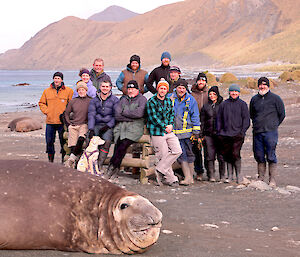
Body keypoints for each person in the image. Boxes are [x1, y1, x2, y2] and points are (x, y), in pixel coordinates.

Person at [104, 80, 147, 179]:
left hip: (136, 127)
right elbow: (117, 115)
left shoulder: (142, 99)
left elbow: (139, 114)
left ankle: (112, 166)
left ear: (137, 90)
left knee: (123, 144)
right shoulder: (123, 99)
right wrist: (130, 116)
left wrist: (125, 112)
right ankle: (115, 169)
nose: (130, 91)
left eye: (133, 89)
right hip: (122, 126)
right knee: (118, 143)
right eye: (129, 89)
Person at [250, 77, 285, 187]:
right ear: (258, 86)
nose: (262, 86)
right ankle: (261, 178)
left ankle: (272, 180)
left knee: (271, 155)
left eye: (264, 85)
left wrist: (274, 125)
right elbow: (251, 114)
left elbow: (282, 114)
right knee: (259, 155)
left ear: (268, 86)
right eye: (260, 85)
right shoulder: (254, 99)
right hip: (257, 132)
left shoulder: (276, 99)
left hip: (271, 132)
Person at [146, 79, 182, 187]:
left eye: (165, 88)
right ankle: (171, 179)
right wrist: (164, 126)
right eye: (161, 88)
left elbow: (172, 114)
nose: (163, 90)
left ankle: (160, 169)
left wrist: (170, 125)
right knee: (163, 155)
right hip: (157, 131)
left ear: (167, 90)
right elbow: (153, 118)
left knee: (177, 150)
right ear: (158, 89)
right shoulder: (151, 101)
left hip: (169, 130)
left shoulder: (168, 101)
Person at [216, 84, 250, 184]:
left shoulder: (242, 104)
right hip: (225, 135)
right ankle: (230, 176)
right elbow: (219, 119)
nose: (234, 93)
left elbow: (246, 119)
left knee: (236, 154)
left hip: (238, 135)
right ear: (229, 92)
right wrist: (219, 132)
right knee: (227, 155)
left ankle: (239, 175)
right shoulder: (223, 104)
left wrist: (242, 132)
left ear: (239, 93)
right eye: (232, 91)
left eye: (236, 91)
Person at [39, 71, 73, 163]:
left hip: (62, 122)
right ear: (53, 79)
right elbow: (41, 103)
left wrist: (66, 115)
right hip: (50, 121)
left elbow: (71, 105)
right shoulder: (47, 91)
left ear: (62, 80)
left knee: (63, 143)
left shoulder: (69, 91)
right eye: (55, 78)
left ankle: (63, 161)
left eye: (58, 78)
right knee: (49, 142)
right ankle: (51, 161)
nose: (56, 80)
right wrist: (47, 111)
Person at [172, 78, 201, 185]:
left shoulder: (191, 100)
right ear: (176, 88)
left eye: (183, 88)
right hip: (175, 134)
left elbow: (195, 115)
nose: (181, 90)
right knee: (181, 154)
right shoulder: (171, 98)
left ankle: (190, 177)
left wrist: (196, 131)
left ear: (186, 89)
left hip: (188, 134)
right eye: (179, 87)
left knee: (189, 154)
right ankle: (188, 177)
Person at [88, 80, 119, 172]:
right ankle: (89, 164)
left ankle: (99, 164)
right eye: (103, 86)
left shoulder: (115, 100)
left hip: (108, 125)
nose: (105, 88)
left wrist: (108, 126)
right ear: (100, 87)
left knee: (107, 142)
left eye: (107, 87)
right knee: (90, 141)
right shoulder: (94, 100)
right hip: (96, 124)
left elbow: (116, 115)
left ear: (110, 88)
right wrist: (91, 128)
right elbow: (91, 114)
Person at [200, 86, 225, 182]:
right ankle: (211, 175)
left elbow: (226, 120)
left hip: (220, 134)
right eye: (210, 94)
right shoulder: (205, 106)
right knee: (209, 156)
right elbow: (202, 121)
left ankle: (222, 175)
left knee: (221, 156)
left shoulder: (222, 105)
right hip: (208, 134)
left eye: (214, 94)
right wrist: (201, 134)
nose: (212, 96)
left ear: (217, 95)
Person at [64, 81, 91, 168]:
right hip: (73, 125)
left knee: (81, 140)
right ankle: (75, 163)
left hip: (84, 124)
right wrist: (68, 124)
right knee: (72, 144)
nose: (81, 91)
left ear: (86, 90)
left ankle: (72, 158)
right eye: (79, 90)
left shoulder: (90, 101)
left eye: (83, 89)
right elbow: (66, 113)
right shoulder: (73, 101)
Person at [191, 72, 209, 181]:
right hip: (194, 125)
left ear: (206, 82)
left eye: (203, 80)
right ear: (197, 81)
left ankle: (210, 172)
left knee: (208, 151)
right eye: (199, 80)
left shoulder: (209, 93)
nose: (201, 82)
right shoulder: (192, 94)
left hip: (207, 125)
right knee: (196, 150)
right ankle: (199, 171)